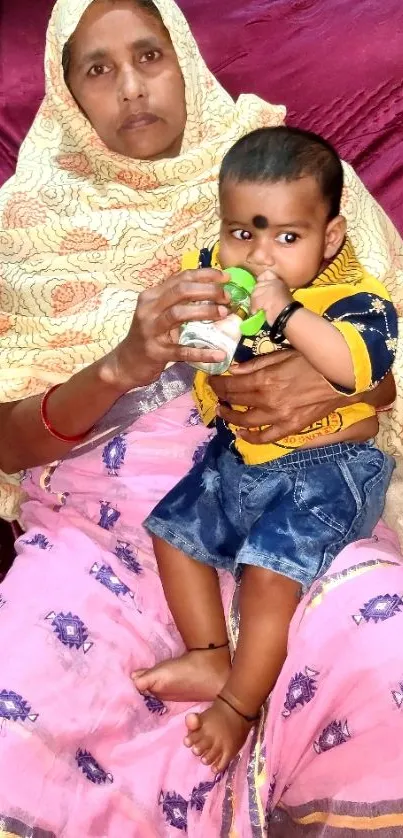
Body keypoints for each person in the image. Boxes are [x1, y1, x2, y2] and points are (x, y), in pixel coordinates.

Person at [0, 0, 402, 835]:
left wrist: (337, 391)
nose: (131, 87)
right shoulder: (21, 228)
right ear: (65, 94)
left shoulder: (293, 176)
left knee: (383, 645)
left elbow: (384, 350)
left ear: (183, 57)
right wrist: (122, 363)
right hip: (99, 531)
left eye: (148, 54)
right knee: (21, 700)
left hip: (296, 490)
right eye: (96, 69)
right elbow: (5, 438)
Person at [140, 126, 397, 773]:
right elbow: (204, 360)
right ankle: (206, 652)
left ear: (328, 237)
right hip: (238, 462)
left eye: (286, 237)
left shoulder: (354, 300)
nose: (259, 256)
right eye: (241, 233)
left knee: (267, 577)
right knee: (171, 533)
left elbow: (357, 370)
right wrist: (203, 324)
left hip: (326, 475)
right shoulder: (228, 280)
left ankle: (240, 705)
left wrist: (285, 315)